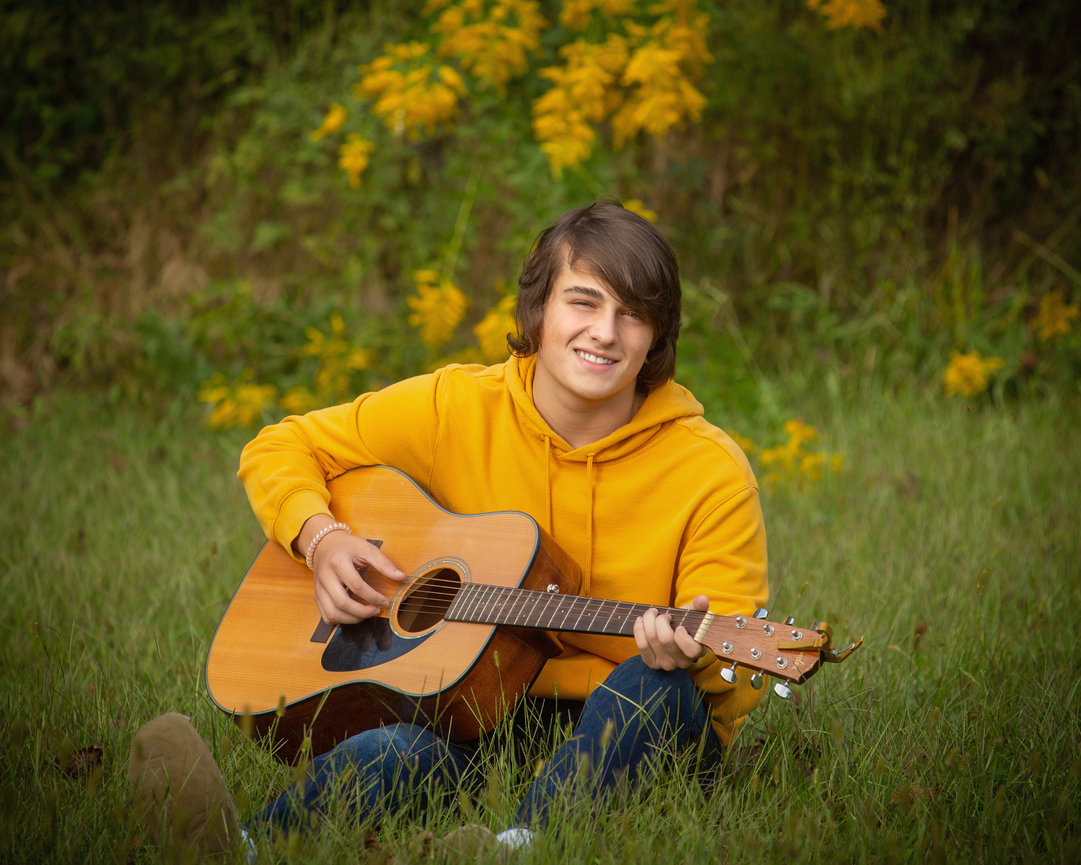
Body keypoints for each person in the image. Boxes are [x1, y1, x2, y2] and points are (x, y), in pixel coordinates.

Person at [128, 200, 769, 859]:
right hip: (476, 708)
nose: (604, 332)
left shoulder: (710, 471)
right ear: (538, 310)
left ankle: (517, 848)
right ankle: (242, 849)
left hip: (634, 731)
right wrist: (321, 539)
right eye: (583, 302)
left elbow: (734, 665)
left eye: (632, 314)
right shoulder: (456, 407)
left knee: (651, 686)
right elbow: (281, 445)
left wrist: (692, 656)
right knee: (393, 749)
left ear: (656, 336)